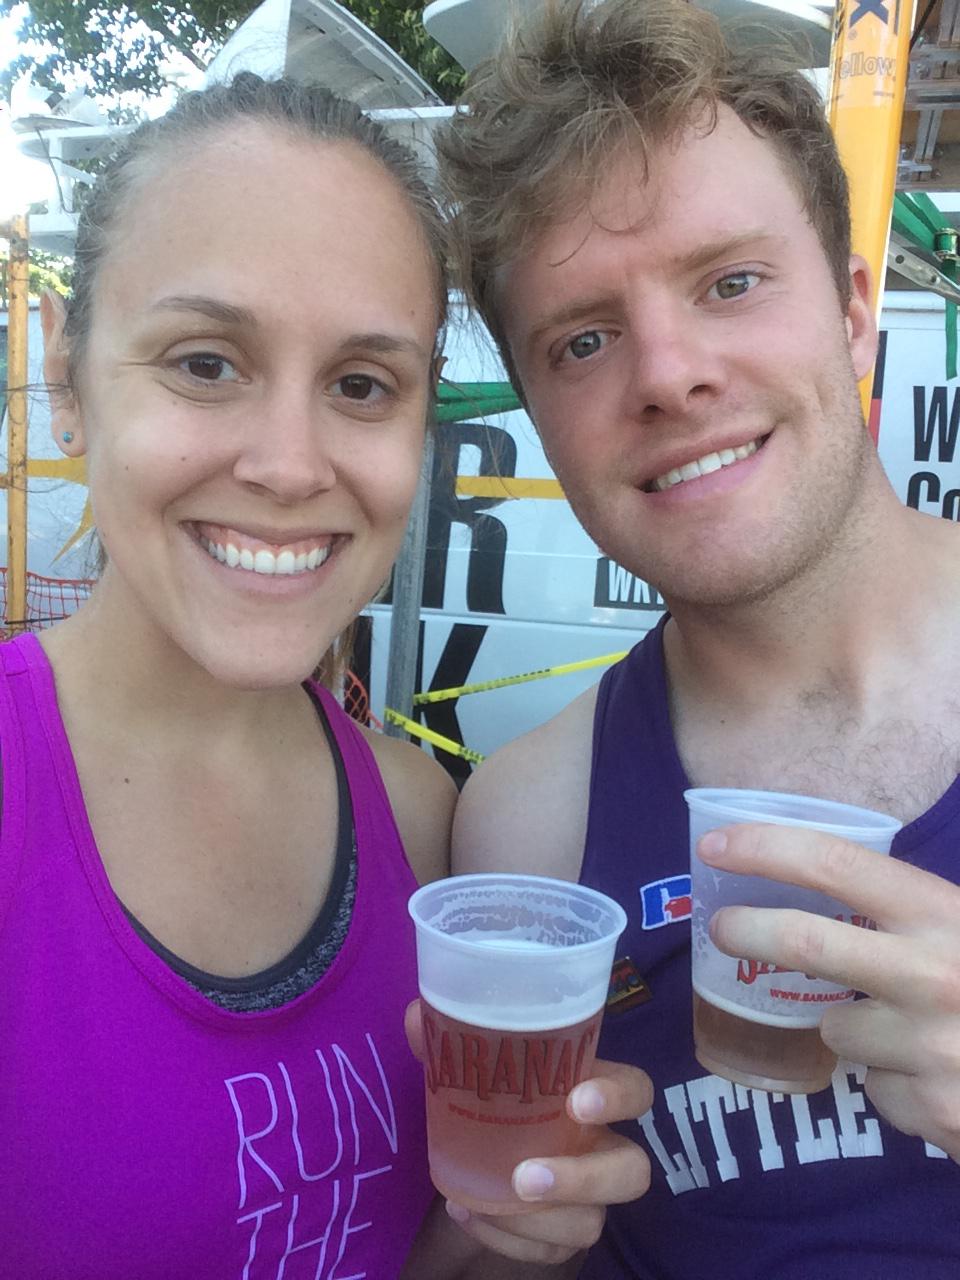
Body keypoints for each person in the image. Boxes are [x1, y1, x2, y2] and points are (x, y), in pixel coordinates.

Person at [0, 72, 651, 1278]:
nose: (292, 465)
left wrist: (505, 1223)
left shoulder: (419, 816)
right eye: (205, 362)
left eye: (361, 384)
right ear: (64, 375)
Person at [440, 0, 960, 1275]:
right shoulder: (530, 827)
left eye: (731, 282)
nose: (669, 374)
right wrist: (519, 1229)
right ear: (541, 422)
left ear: (853, 311)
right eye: (584, 339)